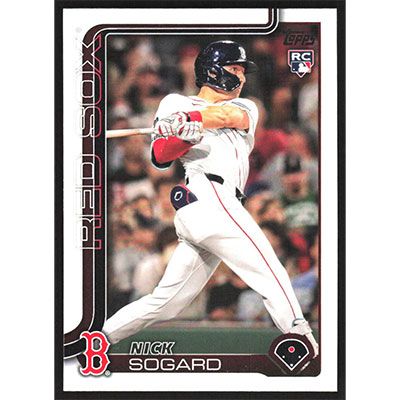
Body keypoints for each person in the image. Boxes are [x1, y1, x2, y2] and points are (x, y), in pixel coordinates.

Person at [103, 40, 318, 357]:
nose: (241, 77)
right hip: (207, 196)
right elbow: (160, 156)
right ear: (213, 70)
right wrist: (180, 138)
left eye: (242, 71)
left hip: (218, 206)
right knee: (269, 270)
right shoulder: (175, 102)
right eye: (235, 69)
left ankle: (100, 338)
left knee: (167, 302)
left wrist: (192, 120)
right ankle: (304, 343)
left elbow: (229, 116)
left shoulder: (246, 106)